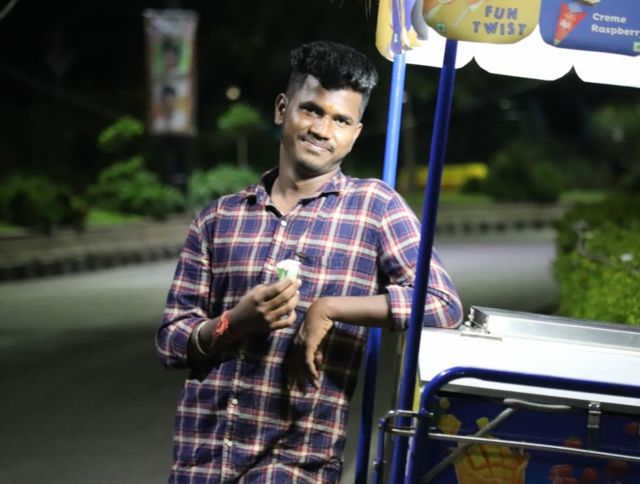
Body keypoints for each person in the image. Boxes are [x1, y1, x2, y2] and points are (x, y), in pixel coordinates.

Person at [157, 40, 463, 483]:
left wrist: (329, 309)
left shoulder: (374, 208)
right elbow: (170, 342)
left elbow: (442, 304)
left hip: (297, 464)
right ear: (283, 109)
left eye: (341, 120)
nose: (323, 129)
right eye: (312, 111)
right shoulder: (218, 218)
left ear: (355, 134)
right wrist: (233, 324)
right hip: (202, 462)